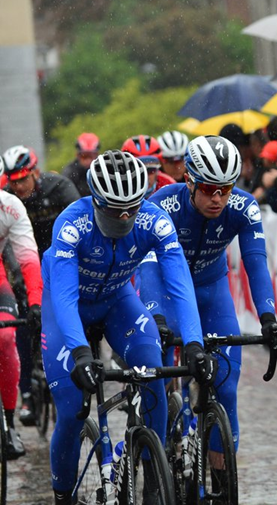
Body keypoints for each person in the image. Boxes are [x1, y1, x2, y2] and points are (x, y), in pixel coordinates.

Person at [41, 150, 214, 505]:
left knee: (152, 370)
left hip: (118, 303)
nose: (122, 220)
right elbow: (63, 297)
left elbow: (180, 283)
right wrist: (80, 351)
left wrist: (194, 343)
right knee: (74, 406)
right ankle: (62, 496)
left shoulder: (155, 220)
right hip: (68, 309)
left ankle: (153, 479)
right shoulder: (71, 224)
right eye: (112, 213)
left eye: (130, 212)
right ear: (95, 200)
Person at [139, 135, 277, 469]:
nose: (218, 198)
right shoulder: (163, 204)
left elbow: (255, 262)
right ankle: (154, 470)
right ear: (189, 180)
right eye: (209, 188)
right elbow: (148, 266)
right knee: (158, 380)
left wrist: (269, 317)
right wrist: (157, 319)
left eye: (227, 187)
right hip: (165, 294)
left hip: (211, 292)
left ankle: (222, 482)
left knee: (226, 389)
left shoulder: (243, 206)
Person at [2, 145, 80, 427]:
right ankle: (26, 392)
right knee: (21, 321)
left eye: (24, 178)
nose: (20, 185)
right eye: (14, 180)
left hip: (60, 256)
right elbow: (9, 248)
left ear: (35, 172)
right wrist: (18, 280)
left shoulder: (59, 188)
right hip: (23, 259)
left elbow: (80, 225)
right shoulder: (9, 199)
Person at [0, 161, 42, 459]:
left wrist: (36, 302)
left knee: (5, 337)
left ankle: (9, 423)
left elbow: (27, 258)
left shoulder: (10, 207)